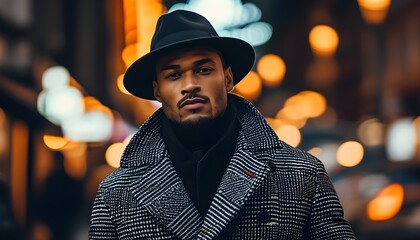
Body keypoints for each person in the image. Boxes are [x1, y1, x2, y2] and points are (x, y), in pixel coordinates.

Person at [89, 10, 356, 239]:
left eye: (204, 70)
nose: (190, 84)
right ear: (157, 91)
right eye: (174, 75)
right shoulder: (117, 193)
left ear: (228, 79)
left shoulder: (301, 174)